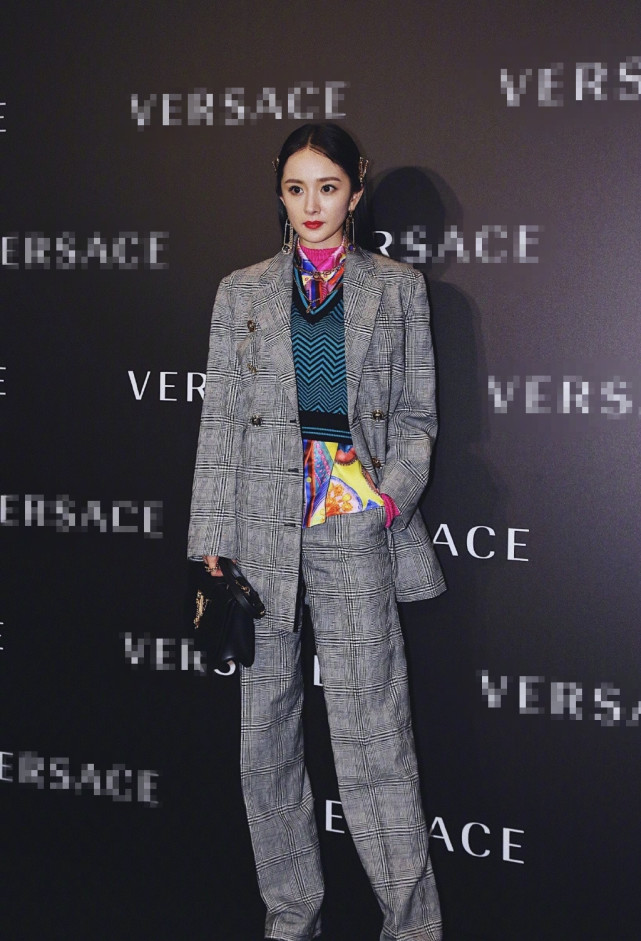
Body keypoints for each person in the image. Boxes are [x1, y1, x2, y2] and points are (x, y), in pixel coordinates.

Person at [188, 123, 446, 941]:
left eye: (327, 187)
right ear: (280, 192)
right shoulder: (241, 291)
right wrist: (210, 539)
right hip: (259, 534)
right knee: (265, 743)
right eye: (295, 188)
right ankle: (290, 915)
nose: (310, 205)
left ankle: (410, 927)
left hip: (351, 523)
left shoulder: (397, 288)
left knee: (376, 740)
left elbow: (417, 419)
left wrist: (385, 501)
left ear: (354, 192)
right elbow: (220, 423)